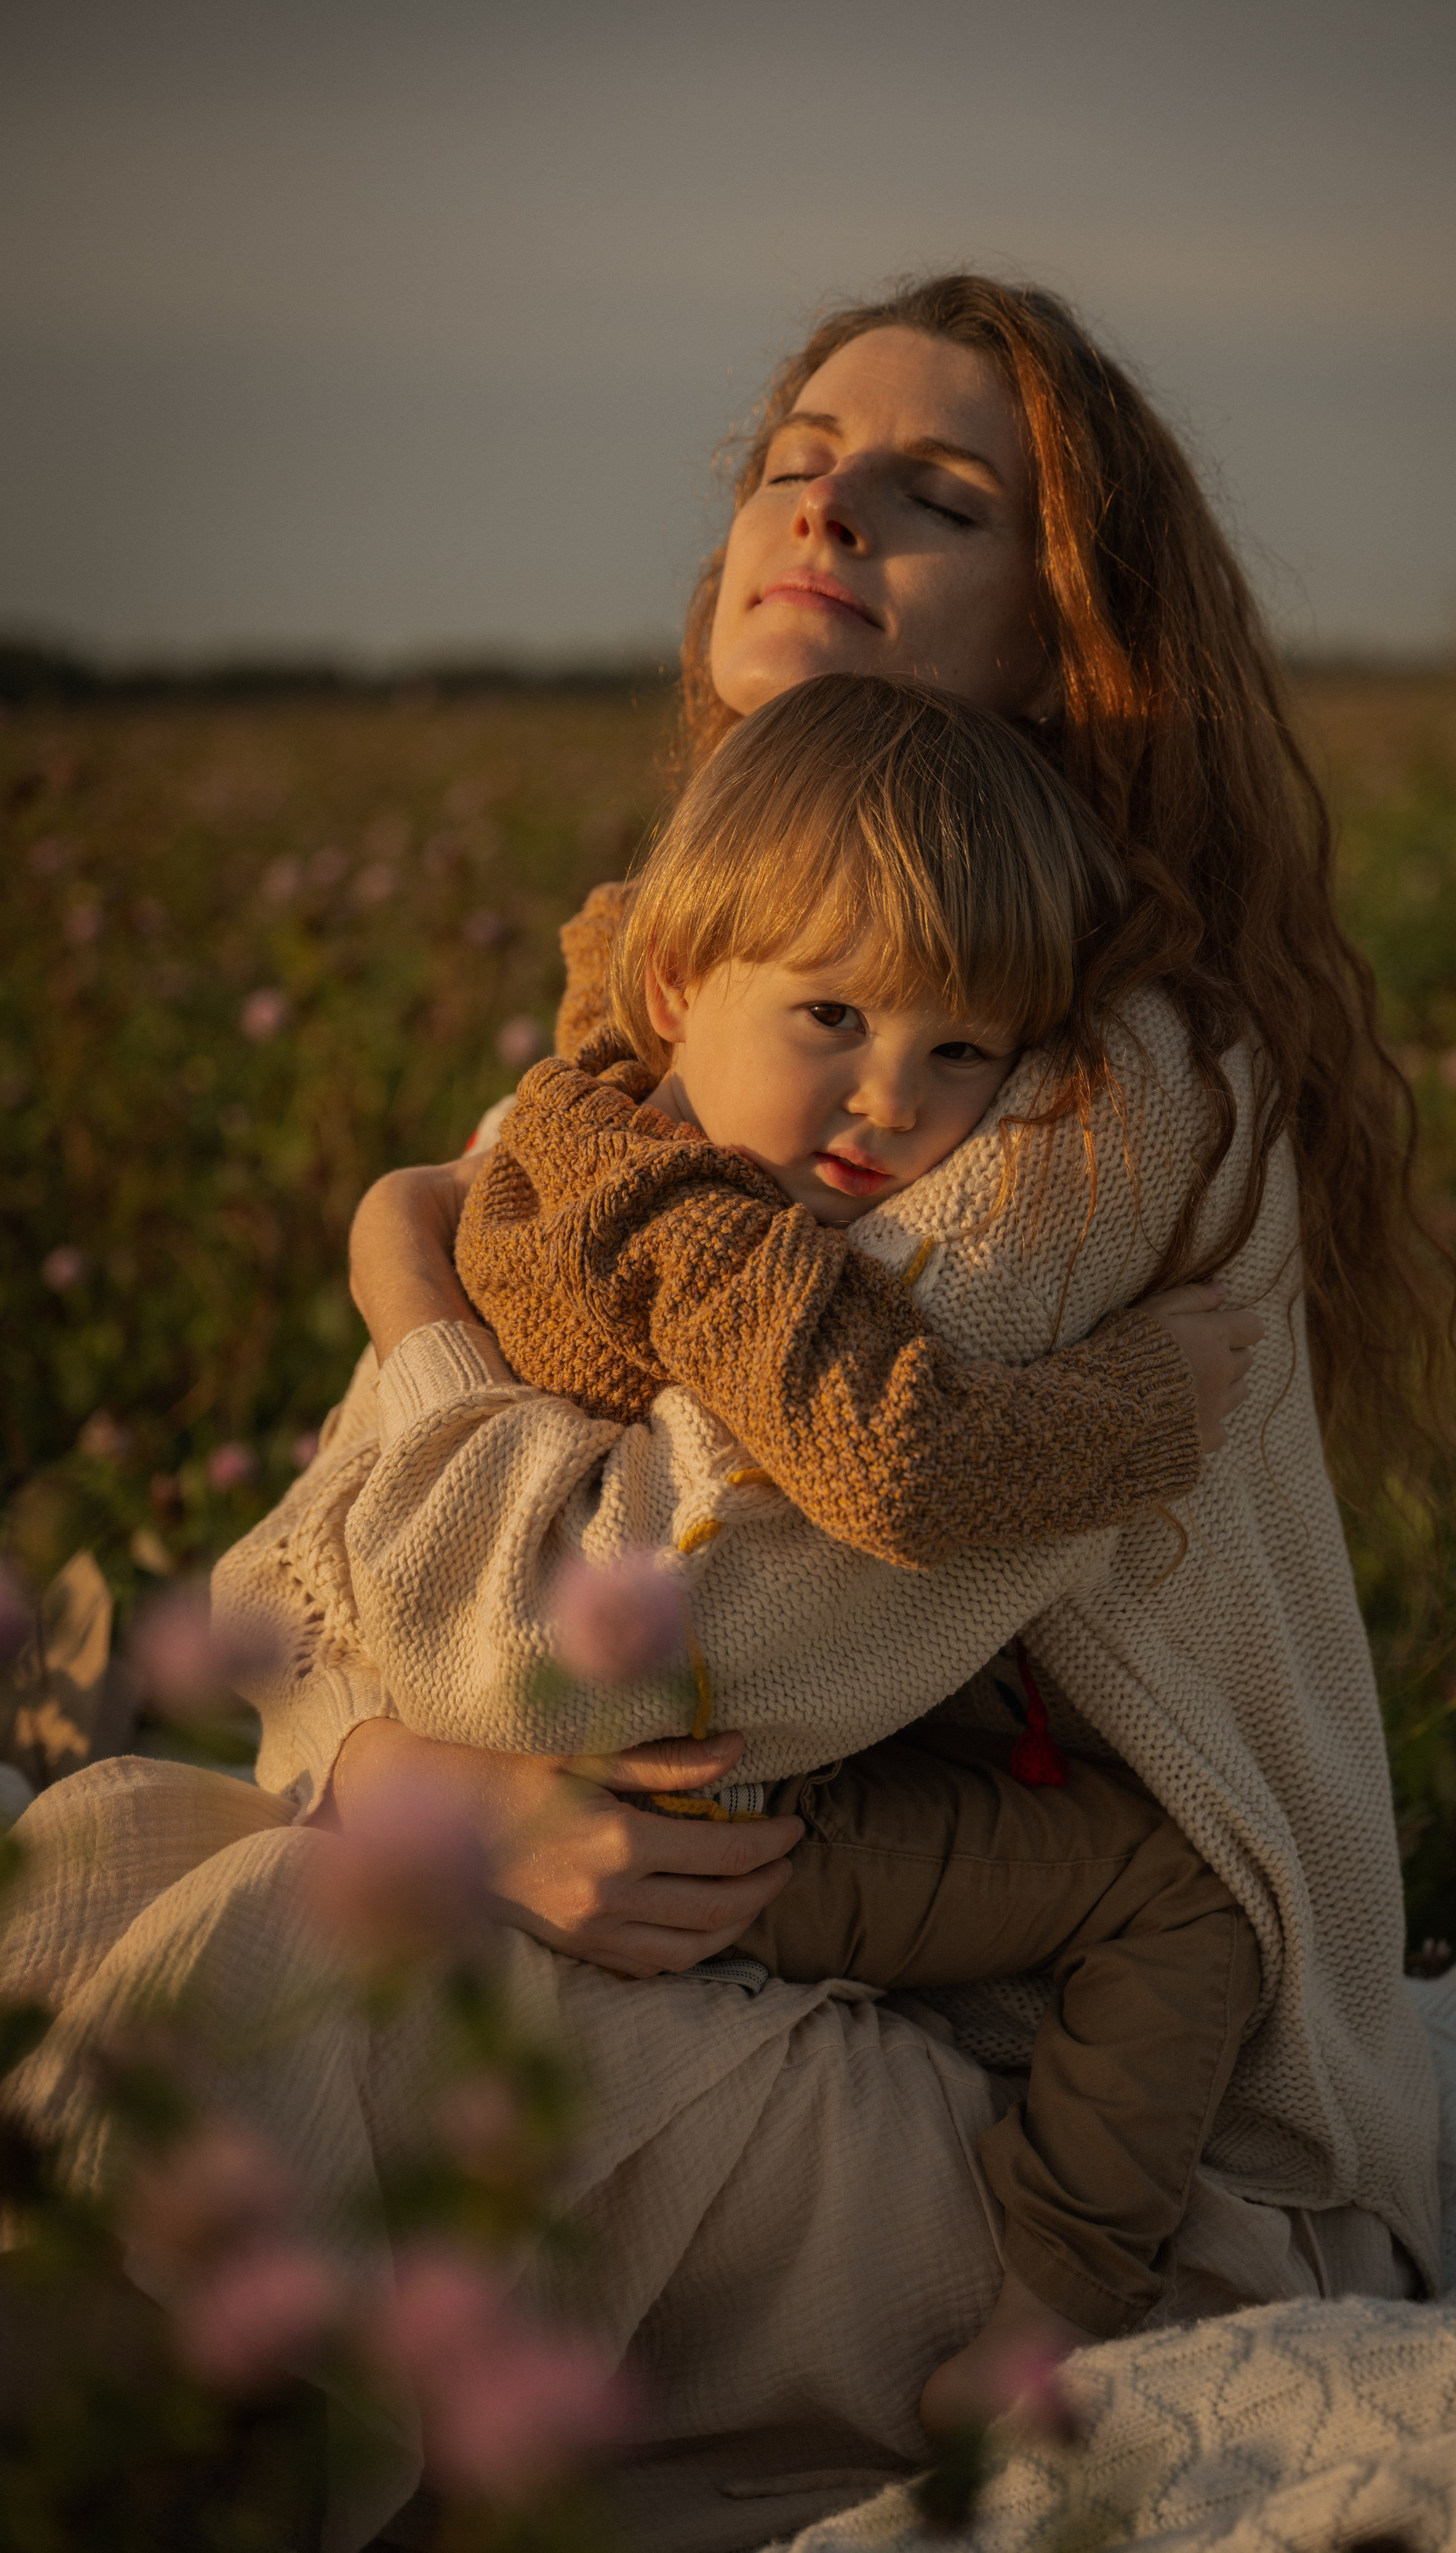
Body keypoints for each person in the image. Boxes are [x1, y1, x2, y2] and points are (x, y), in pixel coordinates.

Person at [7, 275, 1456, 2530]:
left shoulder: (1075, 1090)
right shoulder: (670, 1025)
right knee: (93, 1852)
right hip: (795, 1949)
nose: (828, 506)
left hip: (1092, 2121)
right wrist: (432, 1790)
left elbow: (653, 1646)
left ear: (1075, 638)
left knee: (266, 1978)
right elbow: (304, 1605)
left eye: (939, 494)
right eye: (798, 455)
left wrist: (418, 1311)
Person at [454, 669, 1267, 2422]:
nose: (889, 1103)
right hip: (720, 1804)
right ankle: (1052, 2309)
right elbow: (896, 1466)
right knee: (1183, 1887)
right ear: (680, 990)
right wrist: (1149, 1400)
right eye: (833, 1014)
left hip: (629, 1748)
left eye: (961, 1050)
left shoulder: (575, 1121)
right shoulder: (718, 1238)